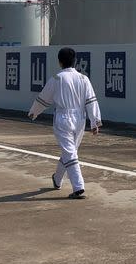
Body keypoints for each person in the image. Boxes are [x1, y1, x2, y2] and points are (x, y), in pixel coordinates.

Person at [28, 47, 102, 199]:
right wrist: (94, 122)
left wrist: (33, 112)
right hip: (79, 120)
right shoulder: (83, 79)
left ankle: (78, 187)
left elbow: (43, 98)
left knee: (70, 153)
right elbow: (91, 101)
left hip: (63, 118)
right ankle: (57, 179)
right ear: (75, 61)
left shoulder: (57, 78)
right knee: (70, 152)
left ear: (60, 62)